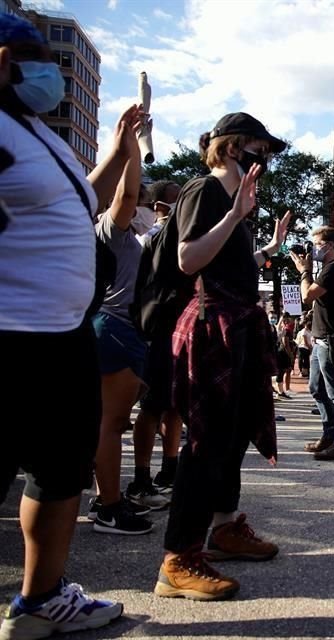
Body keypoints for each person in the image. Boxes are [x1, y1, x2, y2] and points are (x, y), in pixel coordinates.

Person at [0, 12, 136, 637]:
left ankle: (41, 599)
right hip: (10, 337)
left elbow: (80, 199)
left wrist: (118, 148)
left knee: (60, 472)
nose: (48, 73)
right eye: (33, 56)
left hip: (63, 339)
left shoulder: (38, 134)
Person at [155, 112, 290, 601]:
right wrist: (234, 215)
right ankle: (178, 558)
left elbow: (230, 262)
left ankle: (225, 526)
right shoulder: (204, 191)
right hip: (212, 328)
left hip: (237, 325)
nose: (267, 159)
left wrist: (267, 244)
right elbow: (188, 258)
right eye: (261, 149)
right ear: (235, 149)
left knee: (231, 436)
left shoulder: (235, 202)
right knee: (206, 441)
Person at [88, 100, 161, 535]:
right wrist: (131, 148)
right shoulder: (110, 230)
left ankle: (109, 498)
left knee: (113, 422)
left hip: (125, 332)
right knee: (111, 423)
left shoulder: (135, 236)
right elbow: (127, 195)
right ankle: (108, 504)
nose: (143, 202)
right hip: (113, 330)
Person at [129, 179, 183, 497]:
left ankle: (170, 468)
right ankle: (141, 474)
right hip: (154, 330)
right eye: (177, 201)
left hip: (179, 330)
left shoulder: (186, 238)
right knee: (151, 406)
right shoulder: (148, 239)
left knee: (173, 406)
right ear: (160, 207)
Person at [293, 226, 334, 461]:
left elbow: (307, 296)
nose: (312, 249)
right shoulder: (326, 270)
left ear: (329, 245)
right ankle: (329, 436)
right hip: (320, 341)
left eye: (316, 244)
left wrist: (304, 271)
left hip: (330, 340)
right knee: (316, 389)